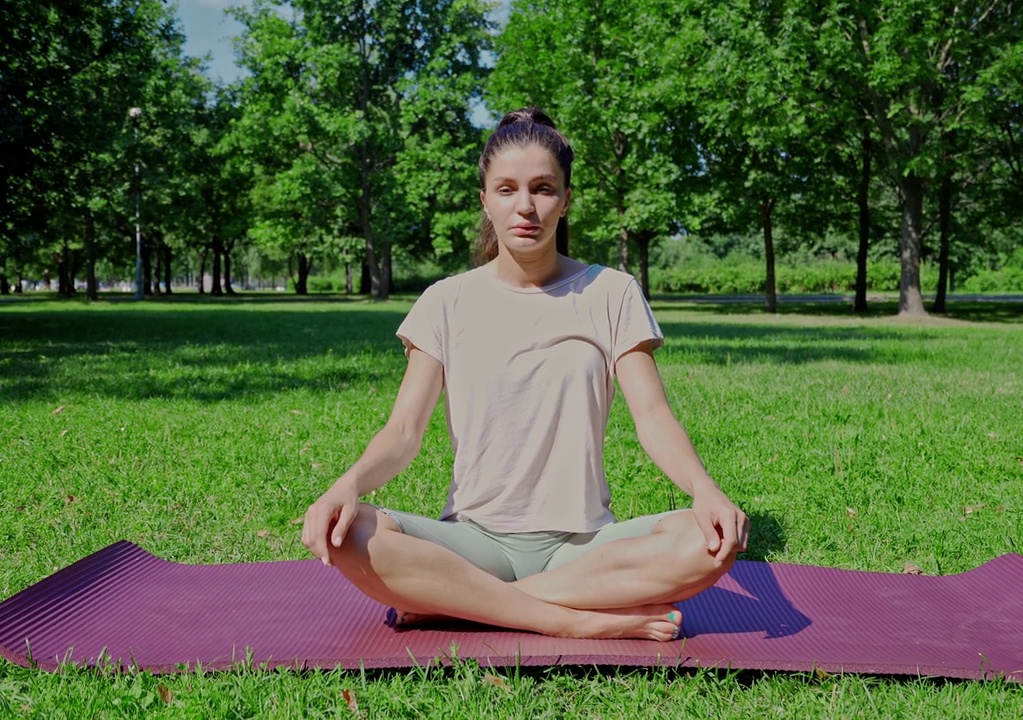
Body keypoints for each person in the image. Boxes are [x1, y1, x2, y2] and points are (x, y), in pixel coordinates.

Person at [301, 108, 748, 641]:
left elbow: (652, 418)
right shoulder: (446, 301)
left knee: (705, 541)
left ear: (566, 199)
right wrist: (346, 484)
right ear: (485, 199)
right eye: (507, 189)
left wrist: (705, 490)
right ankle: (569, 620)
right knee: (349, 534)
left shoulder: (613, 293)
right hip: (473, 542)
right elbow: (403, 432)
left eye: (543, 188)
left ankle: (460, 603)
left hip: (582, 550)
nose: (526, 207)